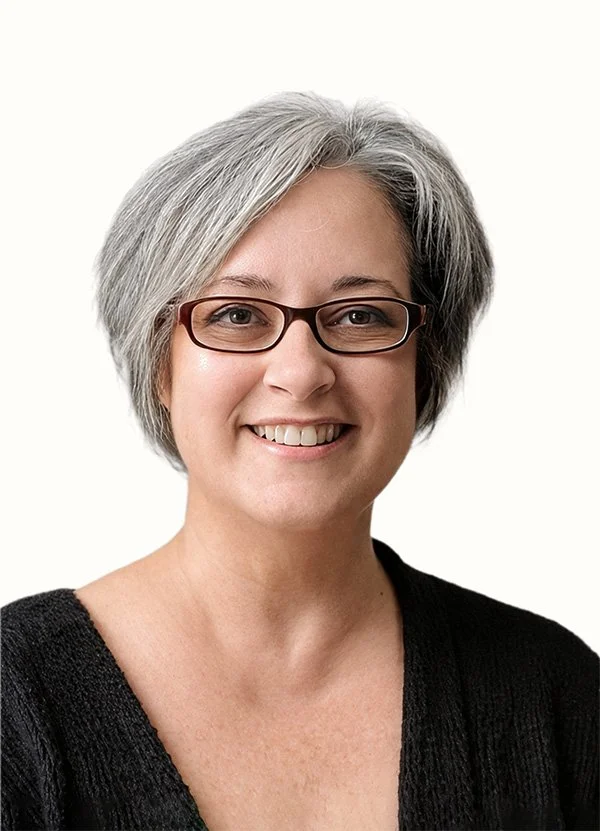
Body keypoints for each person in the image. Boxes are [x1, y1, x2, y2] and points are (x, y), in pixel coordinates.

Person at [1, 91, 597, 831]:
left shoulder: (556, 697)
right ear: (160, 363)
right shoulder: (15, 701)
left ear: (425, 360)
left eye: (360, 315)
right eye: (237, 315)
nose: (301, 372)